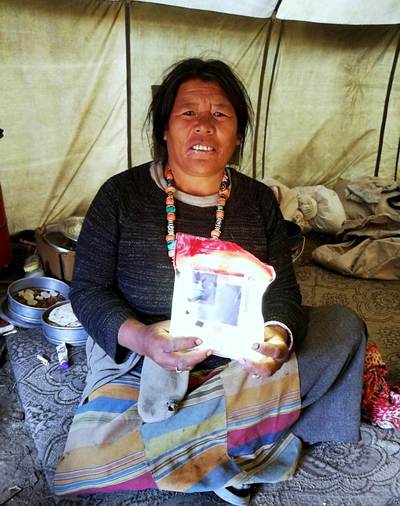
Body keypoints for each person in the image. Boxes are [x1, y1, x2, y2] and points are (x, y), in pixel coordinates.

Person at [53, 58, 366, 505]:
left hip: (237, 357)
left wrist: (276, 336)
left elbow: (282, 292)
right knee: (146, 383)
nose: (204, 126)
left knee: (343, 327)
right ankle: (243, 441)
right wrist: (142, 338)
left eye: (220, 114)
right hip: (142, 359)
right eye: (187, 113)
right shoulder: (120, 195)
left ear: (237, 135)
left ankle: (150, 453)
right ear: (165, 129)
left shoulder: (257, 200)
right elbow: (87, 291)